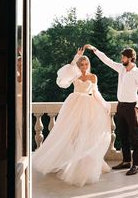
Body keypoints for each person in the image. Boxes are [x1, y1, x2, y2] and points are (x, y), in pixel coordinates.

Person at [33, 48, 111, 187]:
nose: (84, 67)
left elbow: (96, 93)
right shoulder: (74, 75)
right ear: (78, 65)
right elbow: (63, 77)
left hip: (89, 106)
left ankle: (83, 164)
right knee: (70, 134)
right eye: (82, 64)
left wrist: (104, 105)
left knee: (87, 135)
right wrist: (76, 57)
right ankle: (69, 161)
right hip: (74, 105)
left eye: (86, 64)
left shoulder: (93, 77)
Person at [84, 44, 138, 175]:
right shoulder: (121, 69)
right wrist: (95, 50)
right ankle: (126, 161)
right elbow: (108, 61)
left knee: (134, 136)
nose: (121, 59)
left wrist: (137, 106)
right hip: (121, 106)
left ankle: (136, 165)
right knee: (122, 134)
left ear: (130, 58)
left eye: (123, 57)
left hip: (131, 107)